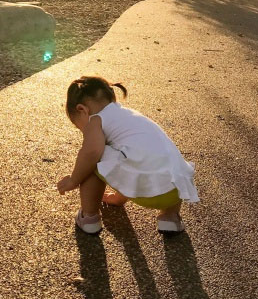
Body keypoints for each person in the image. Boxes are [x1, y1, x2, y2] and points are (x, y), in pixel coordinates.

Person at [57, 75, 199, 235]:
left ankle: (89, 217)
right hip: (174, 190)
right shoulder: (131, 116)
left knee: (91, 157)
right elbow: (137, 159)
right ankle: (170, 217)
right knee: (166, 159)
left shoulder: (95, 119)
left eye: (79, 127)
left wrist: (73, 179)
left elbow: (92, 151)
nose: (83, 131)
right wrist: (119, 198)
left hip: (147, 191)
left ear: (82, 110)